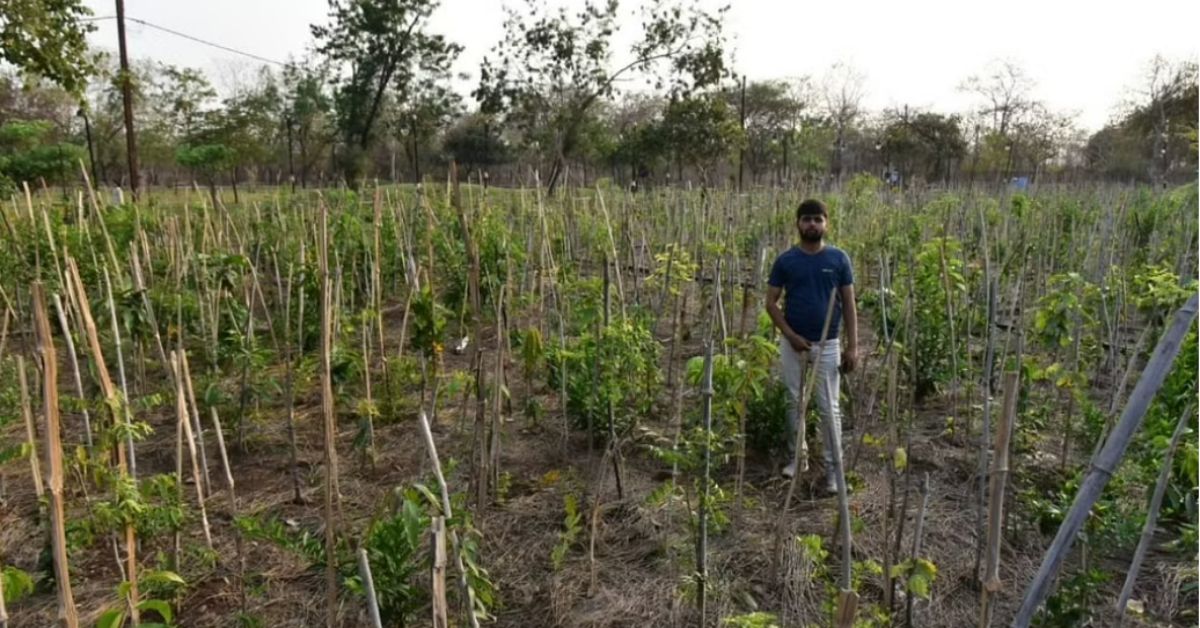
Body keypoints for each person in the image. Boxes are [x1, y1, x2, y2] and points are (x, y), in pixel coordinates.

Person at [764, 198, 858, 493]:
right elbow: (770, 302)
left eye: (818, 219)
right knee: (794, 401)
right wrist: (790, 335)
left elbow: (850, 304)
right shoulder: (786, 261)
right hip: (794, 345)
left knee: (829, 409)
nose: (812, 224)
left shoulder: (839, 259)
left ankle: (833, 471)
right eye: (807, 219)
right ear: (798, 224)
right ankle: (798, 459)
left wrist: (852, 346)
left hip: (828, 345)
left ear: (826, 223)